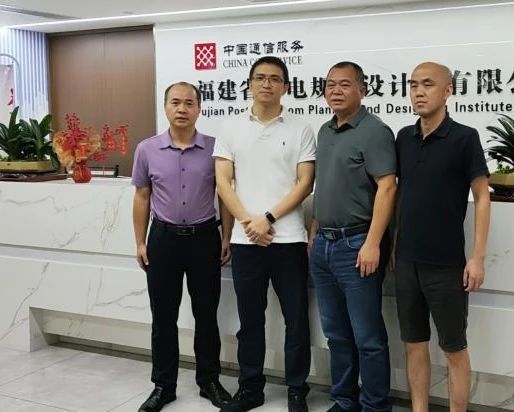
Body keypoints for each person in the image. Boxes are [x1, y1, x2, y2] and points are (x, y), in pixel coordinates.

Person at [214, 56, 315, 412]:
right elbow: (223, 182)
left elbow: (305, 182)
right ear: (249, 84)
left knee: (296, 320)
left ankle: (297, 390)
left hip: (289, 240)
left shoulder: (301, 129)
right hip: (246, 243)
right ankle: (250, 388)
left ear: (286, 86)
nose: (266, 84)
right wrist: (248, 222)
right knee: (250, 320)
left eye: (274, 79)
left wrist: (268, 218)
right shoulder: (231, 128)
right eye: (260, 78)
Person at [393, 62, 490, 412]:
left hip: (446, 264)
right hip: (406, 262)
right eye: (413, 85)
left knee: (453, 349)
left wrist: (477, 257)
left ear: (448, 90)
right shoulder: (403, 138)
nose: (419, 92)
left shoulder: (464, 138)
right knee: (413, 344)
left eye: (428, 84)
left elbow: (482, 196)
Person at [132, 82, 233, 412]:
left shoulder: (215, 148)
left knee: (206, 315)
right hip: (163, 240)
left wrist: (227, 236)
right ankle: (163, 386)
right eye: (175, 102)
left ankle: (209, 381)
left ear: (199, 108)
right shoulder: (147, 149)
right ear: (165, 107)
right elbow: (142, 196)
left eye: (189, 103)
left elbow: (225, 195)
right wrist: (140, 241)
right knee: (163, 317)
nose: (182, 109)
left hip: (205, 239)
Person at [309, 61, 397, 412]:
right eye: (330, 84)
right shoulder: (325, 131)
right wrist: (315, 230)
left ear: (362, 90)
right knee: (336, 334)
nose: (336, 90)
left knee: (367, 337)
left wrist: (373, 242)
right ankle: (344, 400)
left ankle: (375, 405)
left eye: (345, 84)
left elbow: (387, 187)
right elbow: (325, 185)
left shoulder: (375, 131)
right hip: (324, 245)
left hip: (357, 244)